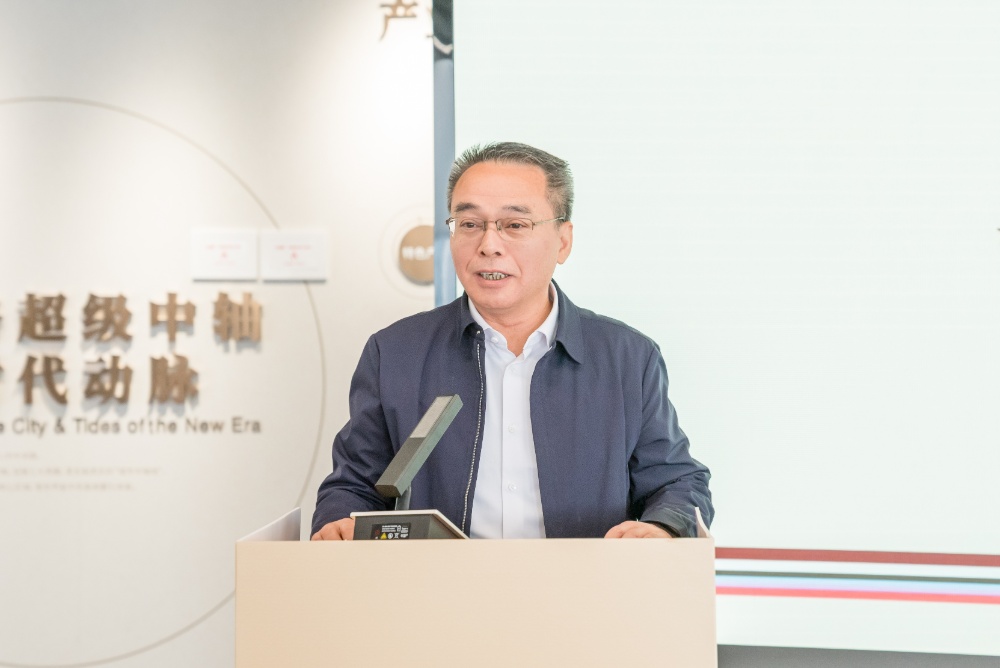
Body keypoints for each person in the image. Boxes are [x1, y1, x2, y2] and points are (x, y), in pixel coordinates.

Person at [311, 142, 712, 540]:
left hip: (584, 580)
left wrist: (662, 527)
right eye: (469, 224)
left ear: (563, 241)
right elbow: (354, 485)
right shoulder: (396, 353)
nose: (488, 245)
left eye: (515, 225)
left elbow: (676, 482)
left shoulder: (627, 358)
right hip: (439, 581)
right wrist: (340, 523)